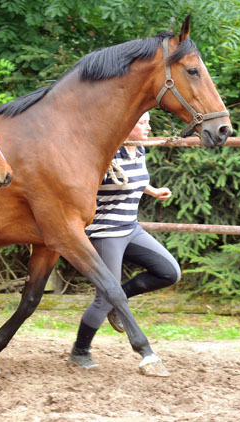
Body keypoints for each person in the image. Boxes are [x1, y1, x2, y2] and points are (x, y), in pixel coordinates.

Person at [69, 111, 181, 370]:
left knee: (169, 272)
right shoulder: (107, 155)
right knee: (105, 296)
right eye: (143, 123)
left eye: (149, 122)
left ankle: (120, 301)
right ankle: (80, 351)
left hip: (131, 229)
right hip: (106, 232)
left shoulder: (139, 149)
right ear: (126, 125)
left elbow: (132, 180)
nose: (149, 128)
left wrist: (152, 190)